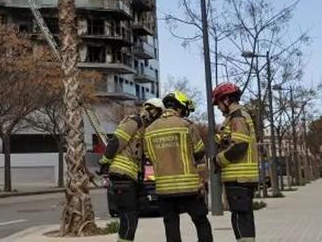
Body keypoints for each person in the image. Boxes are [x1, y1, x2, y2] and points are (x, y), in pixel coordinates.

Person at [144, 91, 212, 242]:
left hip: (164, 189)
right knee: (201, 222)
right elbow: (199, 152)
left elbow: (148, 156)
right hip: (189, 187)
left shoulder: (149, 130)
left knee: (171, 225)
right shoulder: (186, 125)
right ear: (179, 108)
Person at [99, 97, 165, 242]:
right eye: (158, 115)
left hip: (131, 177)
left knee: (134, 215)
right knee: (129, 217)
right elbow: (116, 142)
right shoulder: (134, 121)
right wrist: (105, 163)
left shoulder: (143, 130)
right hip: (123, 175)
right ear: (152, 111)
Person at [213, 82, 259, 242]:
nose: (218, 107)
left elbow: (240, 146)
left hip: (239, 177)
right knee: (242, 216)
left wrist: (218, 160)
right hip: (241, 178)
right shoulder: (235, 117)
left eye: (218, 103)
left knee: (241, 218)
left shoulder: (237, 117)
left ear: (226, 100)